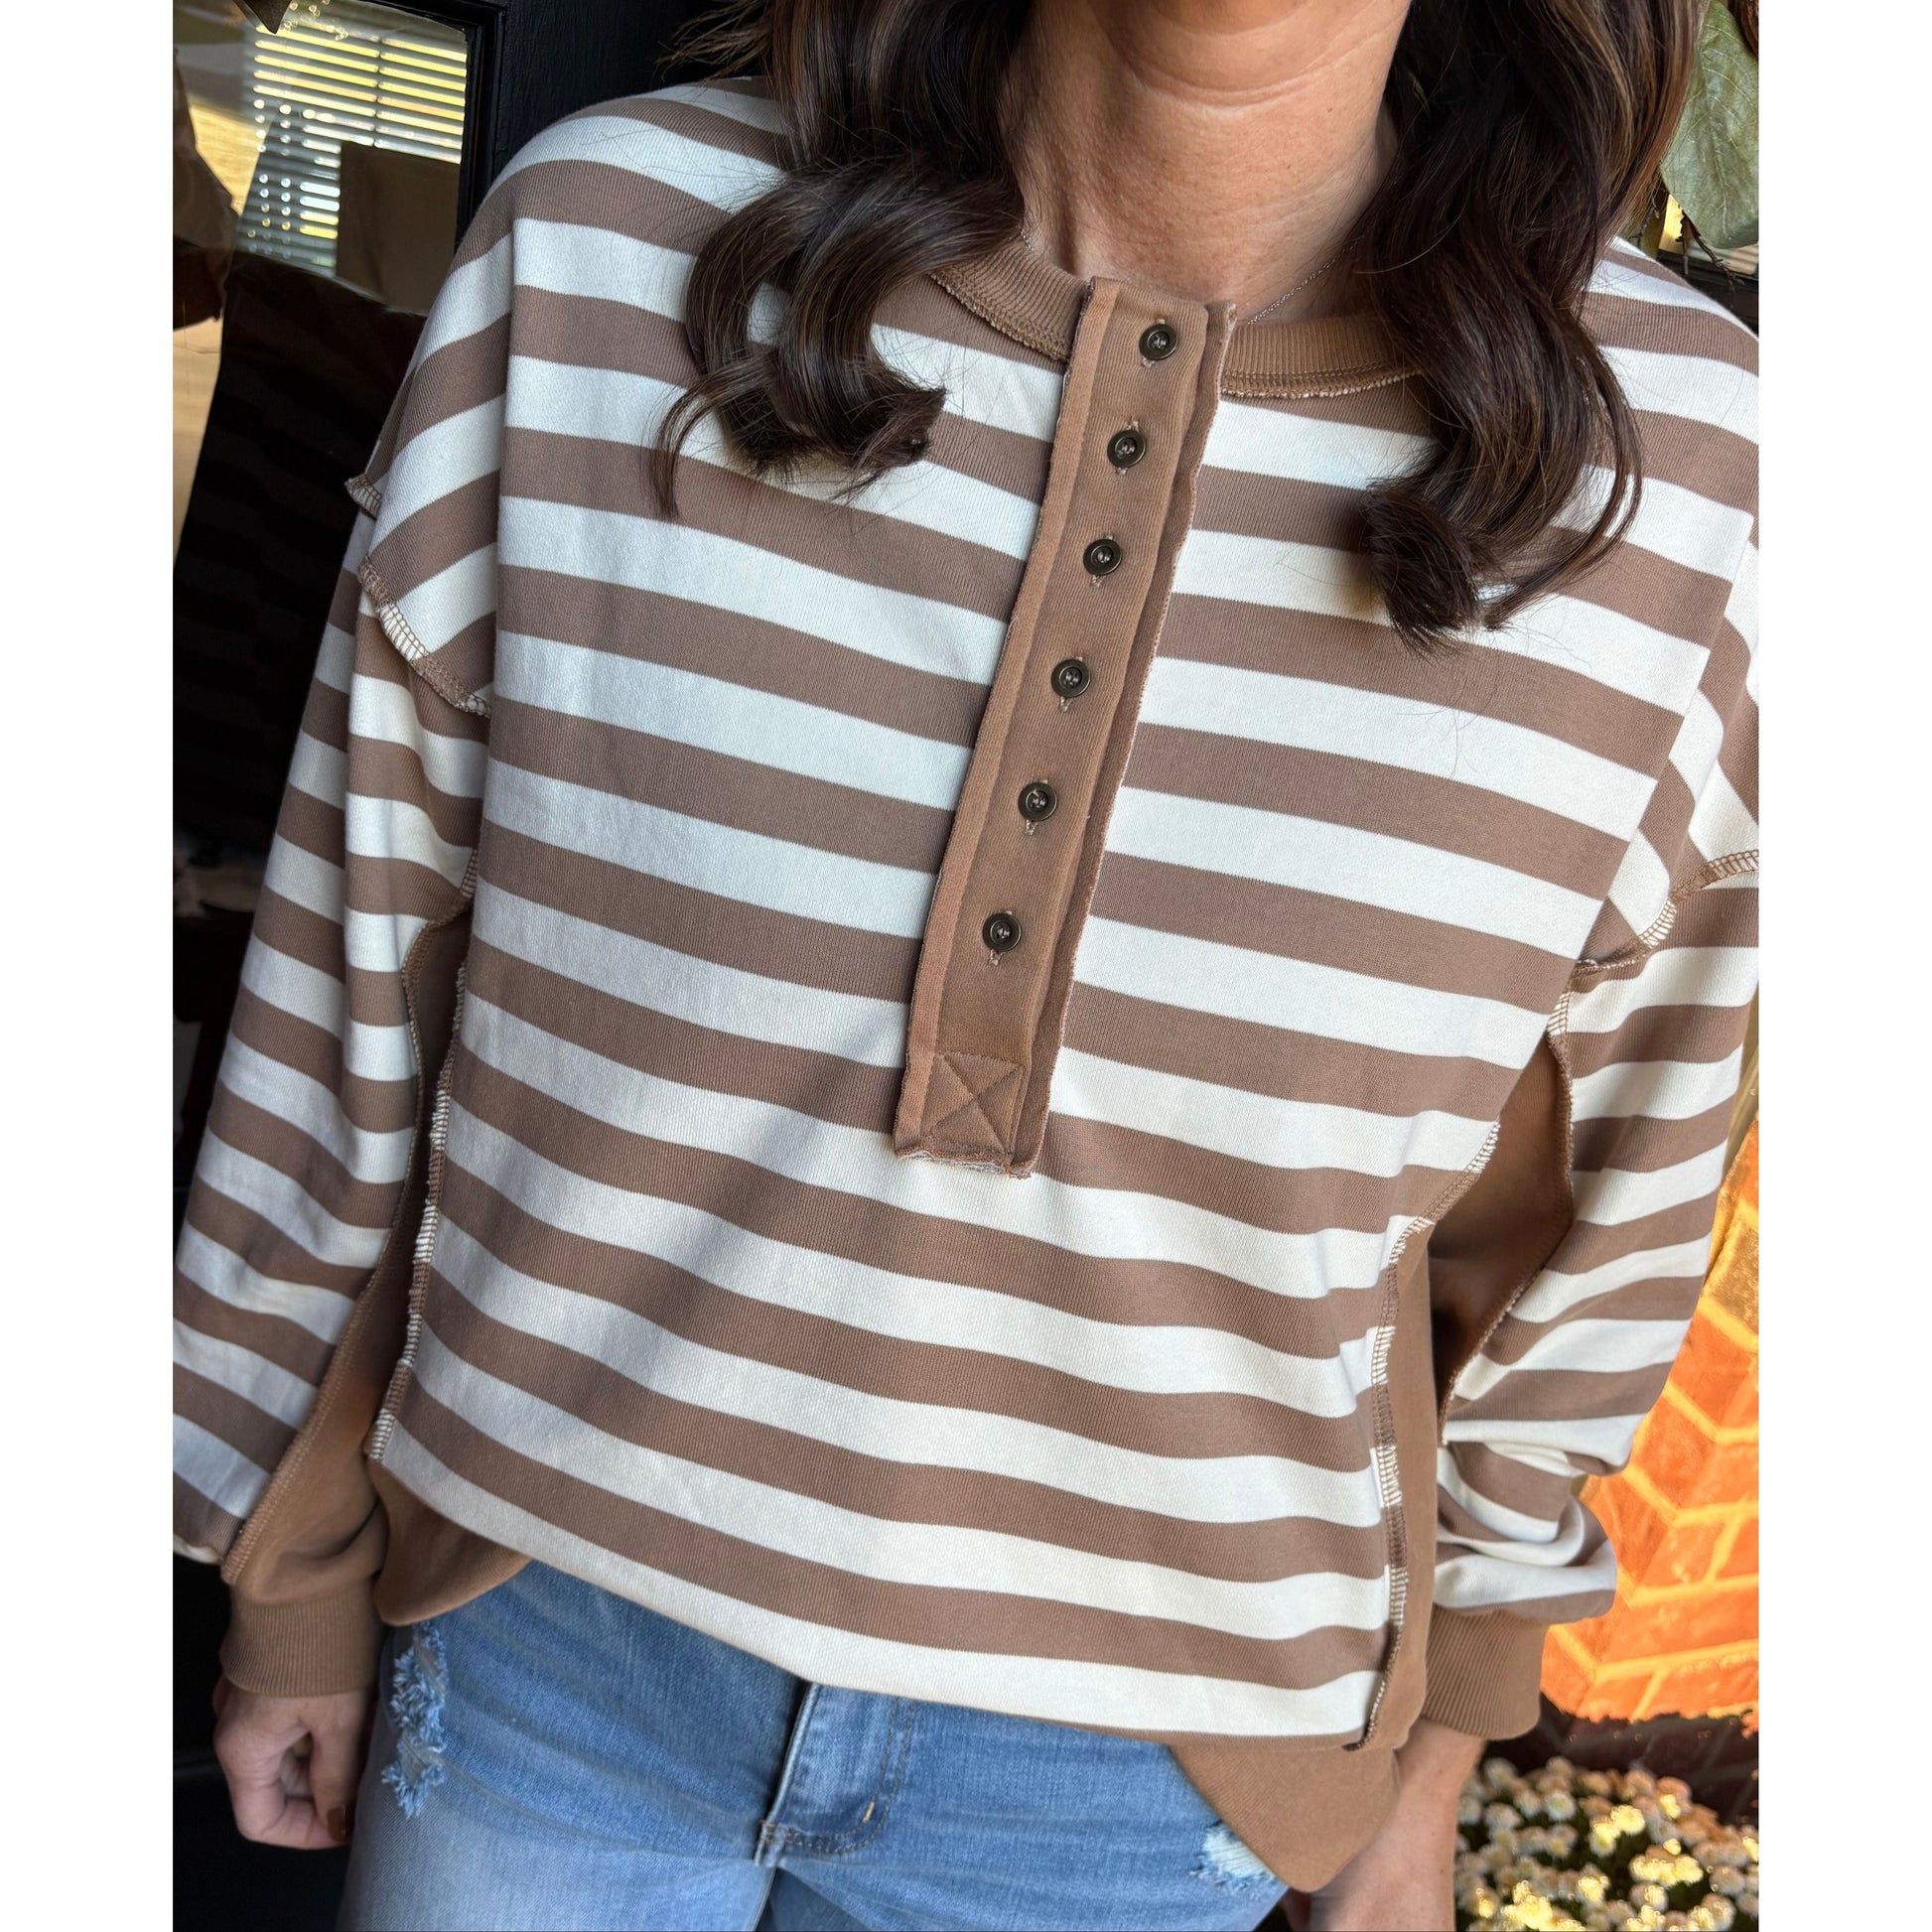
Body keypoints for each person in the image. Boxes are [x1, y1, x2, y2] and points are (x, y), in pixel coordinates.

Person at [175, 2, 1756, 1927]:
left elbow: (1617, 1189)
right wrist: (287, 1563)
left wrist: (1430, 1760)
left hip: (1136, 1777)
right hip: (536, 1645)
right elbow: (361, 971)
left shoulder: (1685, 470)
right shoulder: (605, 248)